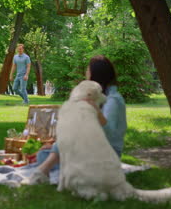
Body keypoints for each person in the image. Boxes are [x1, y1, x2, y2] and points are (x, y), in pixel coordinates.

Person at [27, 55, 127, 184]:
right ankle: (48, 166)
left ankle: (44, 169)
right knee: (43, 154)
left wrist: (95, 112)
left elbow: (109, 134)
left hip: (108, 153)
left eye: (88, 69)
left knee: (48, 155)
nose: (86, 73)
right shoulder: (98, 97)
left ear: (96, 74)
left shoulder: (113, 101)